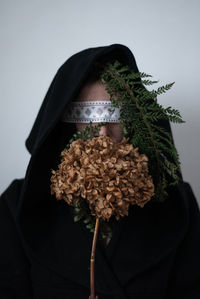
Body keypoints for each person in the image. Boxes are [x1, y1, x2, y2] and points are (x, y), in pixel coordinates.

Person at [0, 44, 200, 299]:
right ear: (67, 122)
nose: (102, 131)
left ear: (136, 123)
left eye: (116, 114)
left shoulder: (176, 206)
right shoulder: (17, 206)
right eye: (87, 114)